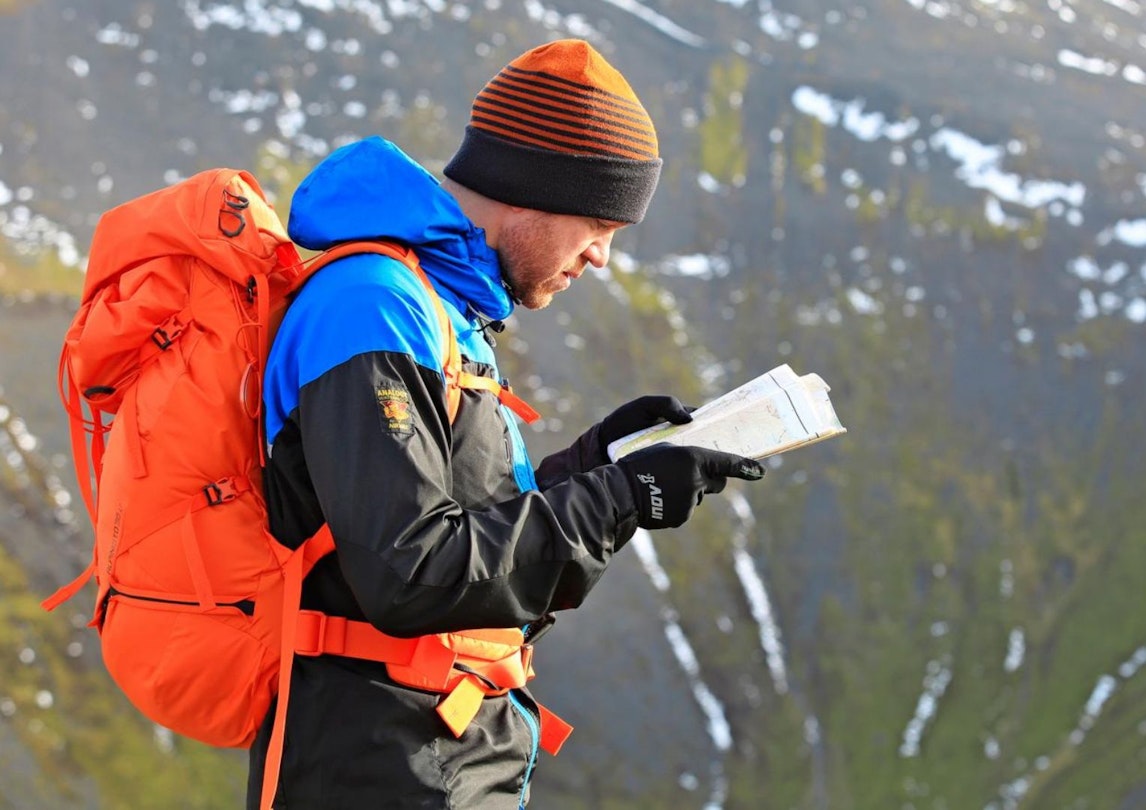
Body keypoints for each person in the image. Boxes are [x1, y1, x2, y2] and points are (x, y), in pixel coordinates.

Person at [248, 39, 765, 809]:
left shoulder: (439, 308)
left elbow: (458, 522)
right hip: (376, 768)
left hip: (436, 757)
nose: (602, 259)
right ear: (532, 188)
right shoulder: (373, 308)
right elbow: (411, 571)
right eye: (599, 223)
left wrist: (600, 464)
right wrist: (615, 498)